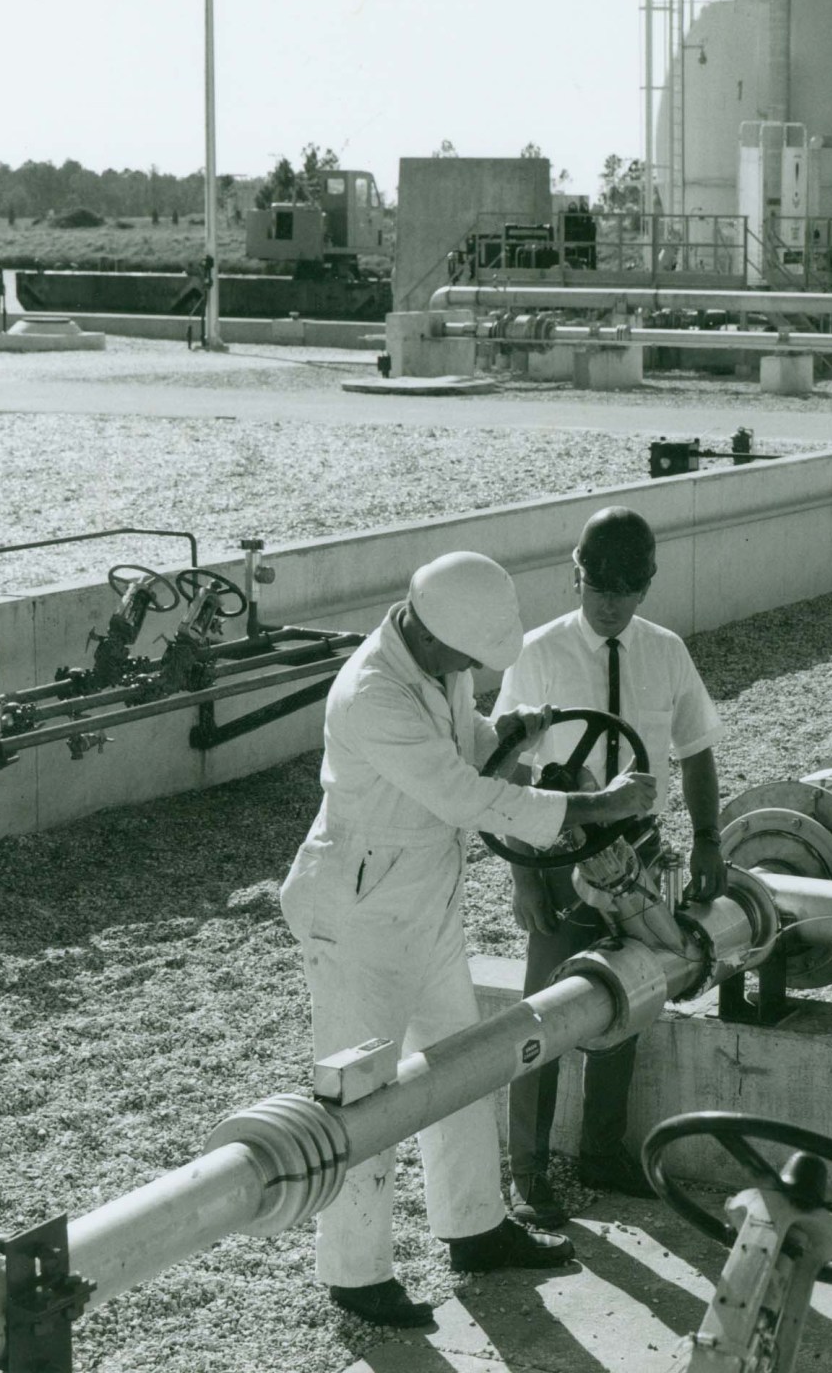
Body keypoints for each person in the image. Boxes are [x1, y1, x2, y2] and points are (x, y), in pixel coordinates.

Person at [278, 550, 657, 1329]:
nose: (474, 671)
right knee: (364, 1095)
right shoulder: (374, 691)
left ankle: (474, 1227)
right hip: (357, 914)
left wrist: (507, 733)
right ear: (429, 628)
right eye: (471, 659)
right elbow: (463, 795)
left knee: (463, 1066)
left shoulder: (435, 659)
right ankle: (354, 1275)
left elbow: (467, 746)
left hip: (420, 897)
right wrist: (600, 807)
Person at [492, 507, 726, 1228]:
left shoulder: (665, 652)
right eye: (598, 584)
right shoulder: (536, 653)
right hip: (557, 852)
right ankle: (528, 1171)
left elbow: (696, 749)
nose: (610, 601)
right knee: (544, 1015)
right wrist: (526, 878)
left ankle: (601, 1151)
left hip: (640, 852)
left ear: (648, 585)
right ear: (576, 572)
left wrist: (711, 839)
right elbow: (505, 776)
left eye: (627, 588)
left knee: (631, 997)